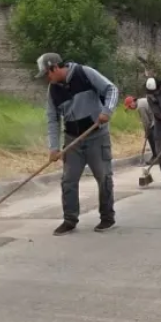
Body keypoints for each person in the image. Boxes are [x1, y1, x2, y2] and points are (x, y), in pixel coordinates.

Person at [38, 52, 119, 235]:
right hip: (72, 139)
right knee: (68, 180)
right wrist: (53, 147)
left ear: (55, 67)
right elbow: (52, 119)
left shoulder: (84, 73)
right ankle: (70, 220)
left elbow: (112, 90)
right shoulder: (53, 90)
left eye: (47, 74)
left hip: (96, 135)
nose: (46, 79)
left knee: (104, 177)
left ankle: (107, 217)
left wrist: (107, 111)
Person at [124, 95, 156, 160]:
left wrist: (147, 133)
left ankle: (156, 156)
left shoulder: (140, 107)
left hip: (156, 119)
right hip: (155, 118)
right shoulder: (140, 101)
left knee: (151, 136)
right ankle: (157, 155)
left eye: (129, 106)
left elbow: (146, 122)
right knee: (151, 135)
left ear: (132, 103)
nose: (130, 109)